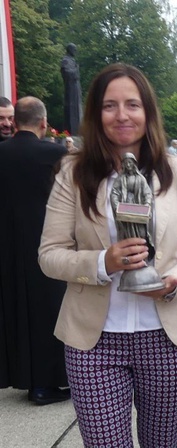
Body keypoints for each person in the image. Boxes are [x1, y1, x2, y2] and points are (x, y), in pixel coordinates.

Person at [38, 63, 177, 447]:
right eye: (109, 106)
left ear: (148, 112)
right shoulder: (73, 173)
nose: (122, 115)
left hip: (168, 340)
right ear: (95, 114)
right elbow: (49, 255)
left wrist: (175, 282)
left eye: (132, 104)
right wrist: (103, 262)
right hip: (95, 342)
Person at [0, 97, 68, 405]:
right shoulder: (54, 152)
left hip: (7, 246)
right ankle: (45, 384)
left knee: (15, 311)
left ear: (14, 122)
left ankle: (20, 376)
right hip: (44, 242)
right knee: (47, 313)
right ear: (43, 123)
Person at [60, 43, 82, 135]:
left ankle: (79, 131)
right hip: (70, 88)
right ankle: (72, 132)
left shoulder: (72, 60)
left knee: (78, 108)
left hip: (76, 87)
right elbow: (66, 72)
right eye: (74, 49)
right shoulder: (66, 60)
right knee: (71, 109)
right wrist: (76, 70)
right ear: (70, 50)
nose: (75, 51)